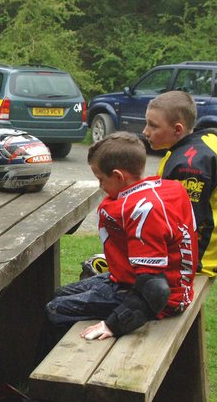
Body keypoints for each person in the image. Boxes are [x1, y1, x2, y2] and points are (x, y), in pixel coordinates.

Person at [46, 132, 198, 343]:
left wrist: (114, 323)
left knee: (55, 309)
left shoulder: (142, 211)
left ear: (118, 176)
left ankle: (45, 373)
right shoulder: (167, 187)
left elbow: (155, 289)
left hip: (160, 299)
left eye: (101, 179)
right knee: (58, 294)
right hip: (134, 280)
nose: (100, 186)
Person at [143, 90, 217, 276]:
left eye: (153, 126)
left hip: (202, 257)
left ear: (177, 129)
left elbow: (181, 224)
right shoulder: (208, 140)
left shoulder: (190, 165)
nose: (146, 131)